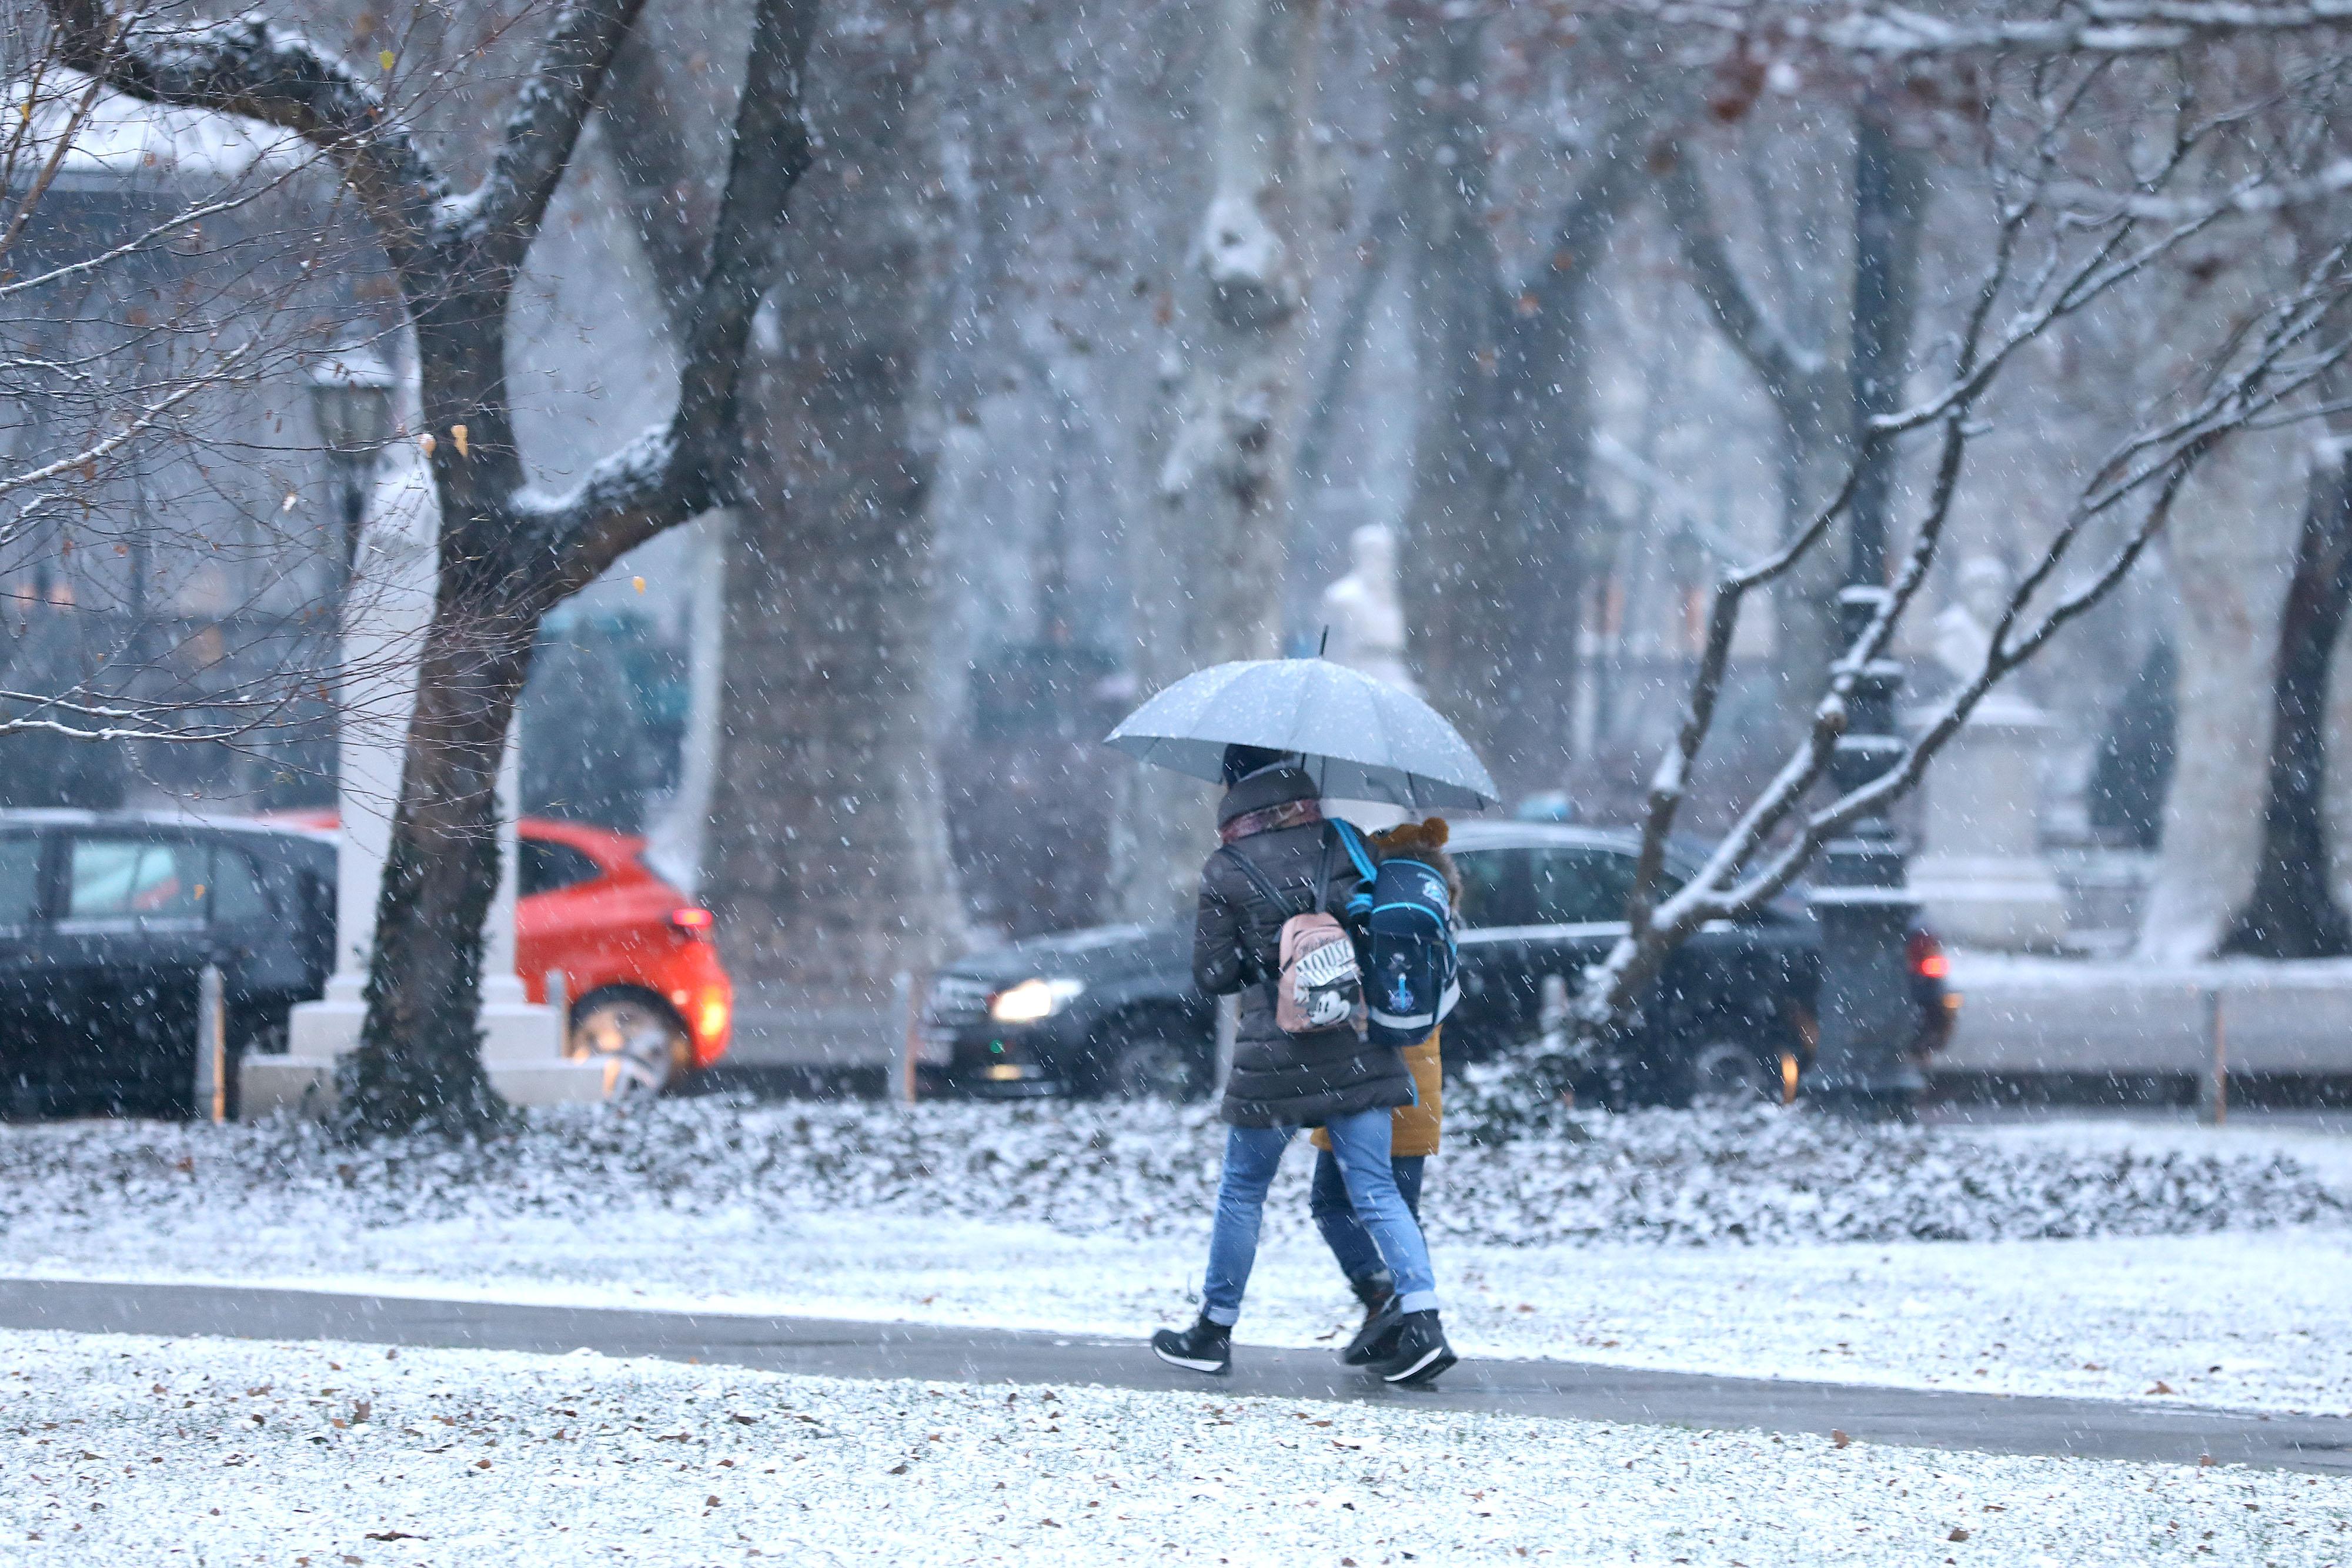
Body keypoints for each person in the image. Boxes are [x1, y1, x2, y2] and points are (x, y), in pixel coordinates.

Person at [1150, 745, 1457, 1386]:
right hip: (1357, 1044)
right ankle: (1423, 1319)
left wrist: (1269, 956)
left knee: (1243, 1192)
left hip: (1274, 1052)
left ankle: (1213, 1330)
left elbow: (1213, 975)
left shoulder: (1227, 866)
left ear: (1234, 789)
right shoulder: (1345, 840)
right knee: (1373, 1191)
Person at [1307, 815, 1455, 1366]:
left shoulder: (1365, 900)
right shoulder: (1433, 910)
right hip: (1419, 1087)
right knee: (1398, 1212)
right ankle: (1395, 1320)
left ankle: (1393, 1305)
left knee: (1331, 1202)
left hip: (1357, 1074)